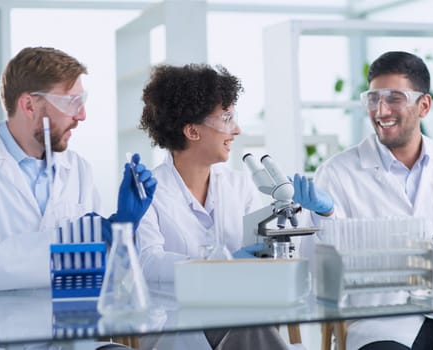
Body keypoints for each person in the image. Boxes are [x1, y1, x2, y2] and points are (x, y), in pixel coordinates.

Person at [303, 51, 433, 349]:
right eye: (373, 99)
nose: (381, 110)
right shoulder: (337, 172)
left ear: (423, 105)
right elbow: (316, 267)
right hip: (378, 322)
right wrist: (326, 219)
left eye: (394, 98)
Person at [136, 63, 326, 350]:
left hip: (239, 319)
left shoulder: (240, 185)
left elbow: (262, 260)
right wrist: (221, 264)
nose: (236, 129)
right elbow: (149, 264)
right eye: (226, 118)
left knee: (247, 327)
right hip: (175, 328)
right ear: (192, 131)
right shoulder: (148, 190)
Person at [0, 46, 157, 291]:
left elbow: (99, 269)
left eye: (82, 101)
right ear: (29, 105)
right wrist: (69, 240)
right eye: (72, 102)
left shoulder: (77, 170)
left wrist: (120, 231)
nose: (82, 115)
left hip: (70, 321)